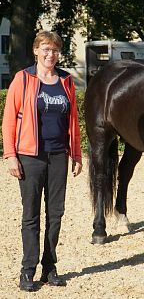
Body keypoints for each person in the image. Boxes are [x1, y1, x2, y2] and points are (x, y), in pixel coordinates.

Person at [2, 30, 82, 291]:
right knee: (31, 216)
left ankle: (49, 268)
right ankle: (27, 270)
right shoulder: (23, 79)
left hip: (59, 156)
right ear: (36, 50)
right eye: (46, 49)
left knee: (56, 214)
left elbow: (73, 121)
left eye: (55, 50)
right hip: (30, 157)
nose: (51, 54)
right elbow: (9, 119)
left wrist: (77, 154)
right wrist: (11, 155)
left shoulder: (66, 81)